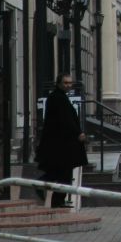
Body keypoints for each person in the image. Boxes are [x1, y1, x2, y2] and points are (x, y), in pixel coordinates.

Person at [36, 73, 87, 207]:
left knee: (59, 173)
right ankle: (50, 194)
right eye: (65, 83)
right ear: (58, 83)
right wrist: (78, 134)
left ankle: (55, 198)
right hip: (61, 145)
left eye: (70, 83)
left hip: (61, 144)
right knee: (63, 174)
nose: (68, 85)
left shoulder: (60, 97)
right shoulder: (57, 98)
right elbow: (66, 121)